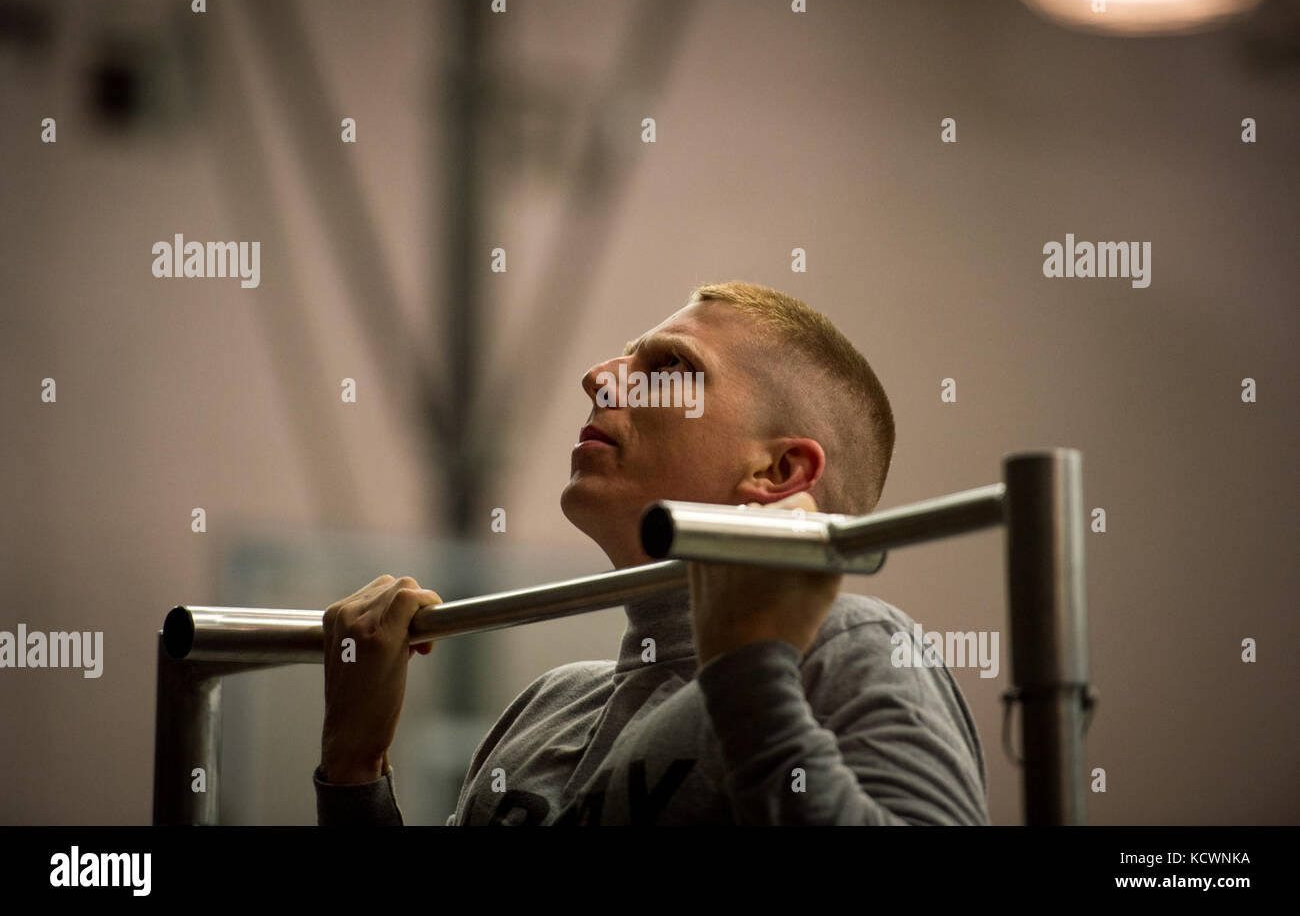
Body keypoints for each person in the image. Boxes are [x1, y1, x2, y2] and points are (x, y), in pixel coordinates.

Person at [313, 281, 989, 825]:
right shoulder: (547, 707)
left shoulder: (853, 646)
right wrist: (354, 765)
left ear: (780, 472)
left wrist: (749, 671)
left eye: (669, 366)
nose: (598, 378)